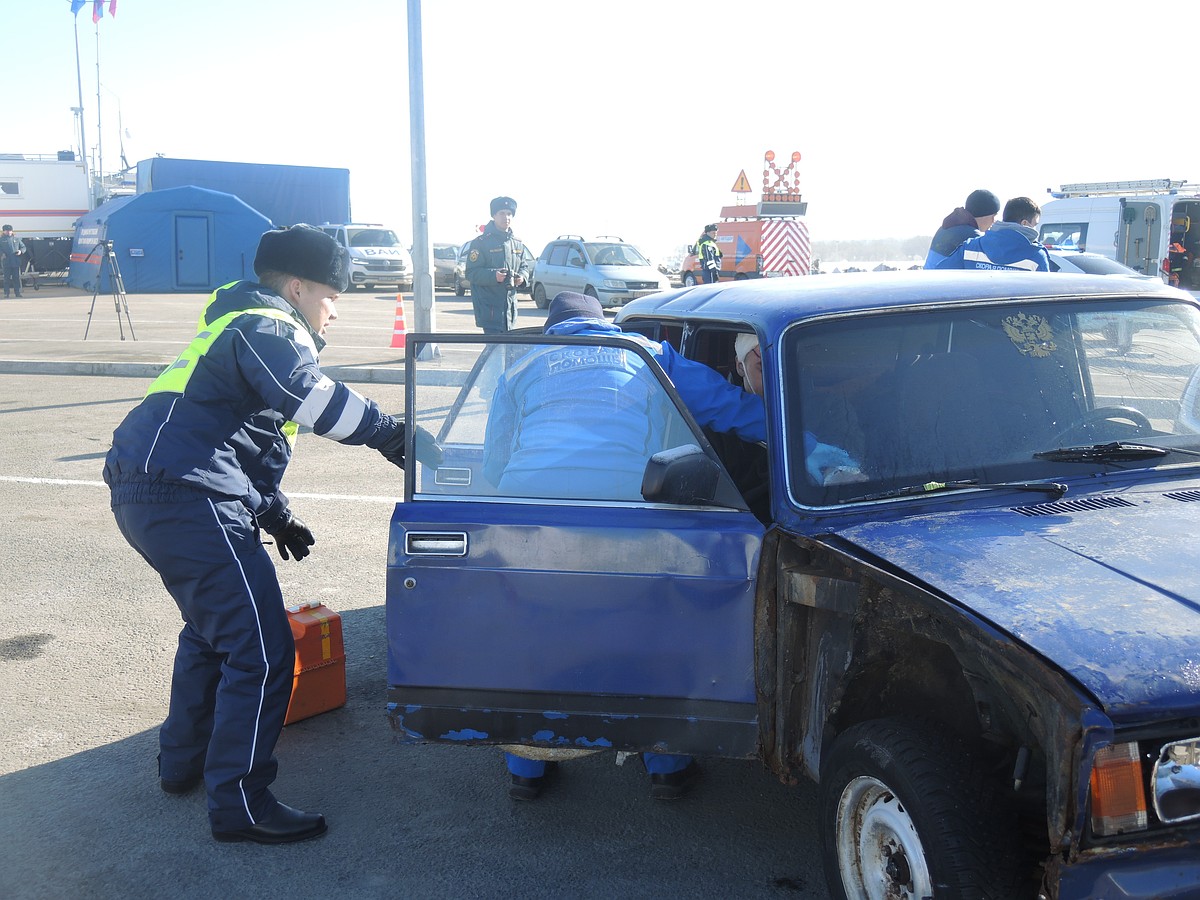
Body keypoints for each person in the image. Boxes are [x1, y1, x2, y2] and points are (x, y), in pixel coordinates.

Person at [103, 225, 410, 845]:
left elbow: (239, 443)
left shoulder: (229, 327)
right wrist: (392, 433)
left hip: (150, 488)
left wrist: (274, 513)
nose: (334, 307)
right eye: (329, 293)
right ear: (296, 286)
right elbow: (310, 397)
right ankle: (239, 802)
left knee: (213, 631)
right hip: (189, 493)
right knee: (264, 648)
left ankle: (181, 762)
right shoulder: (269, 327)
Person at [485, 291, 770, 801]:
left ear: (553, 331)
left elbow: (493, 463)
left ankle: (527, 769)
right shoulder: (645, 354)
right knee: (650, 632)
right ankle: (666, 766)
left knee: (534, 637)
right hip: (625, 520)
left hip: (527, 523)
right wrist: (811, 441)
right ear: (605, 326)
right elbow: (730, 409)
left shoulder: (520, 365)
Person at [464, 196, 533, 333]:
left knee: (508, 350)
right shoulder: (481, 242)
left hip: (510, 309)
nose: (505, 217)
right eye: (501, 213)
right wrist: (494, 276)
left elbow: (525, 267)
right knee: (494, 350)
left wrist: (522, 278)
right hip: (490, 309)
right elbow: (471, 273)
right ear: (494, 215)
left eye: (509, 214)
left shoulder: (517, 243)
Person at [936, 196, 1051, 272]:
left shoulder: (970, 247)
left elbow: (939, 276)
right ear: (1025, 223)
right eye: (1035, 224)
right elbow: (1046, 298)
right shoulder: (1037, 256)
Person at [923, 190, 1000, 269]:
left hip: (929, 278)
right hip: (945, 280)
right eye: (993, 216)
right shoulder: (972, 237)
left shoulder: (946, 227)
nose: (993, 221)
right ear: (984, 214)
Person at [1, 224, 27, 298]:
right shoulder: (1, 240)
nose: (9, 232)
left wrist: (20, 251)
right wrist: (2, 254)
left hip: (15, 262)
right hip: (6, 262)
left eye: (10, 231)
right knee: (6, 279)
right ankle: (6, 293)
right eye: (7, 231)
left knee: (16, 278)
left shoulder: (16, 239)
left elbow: (23, 247)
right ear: (4, 231)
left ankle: (17, 292)